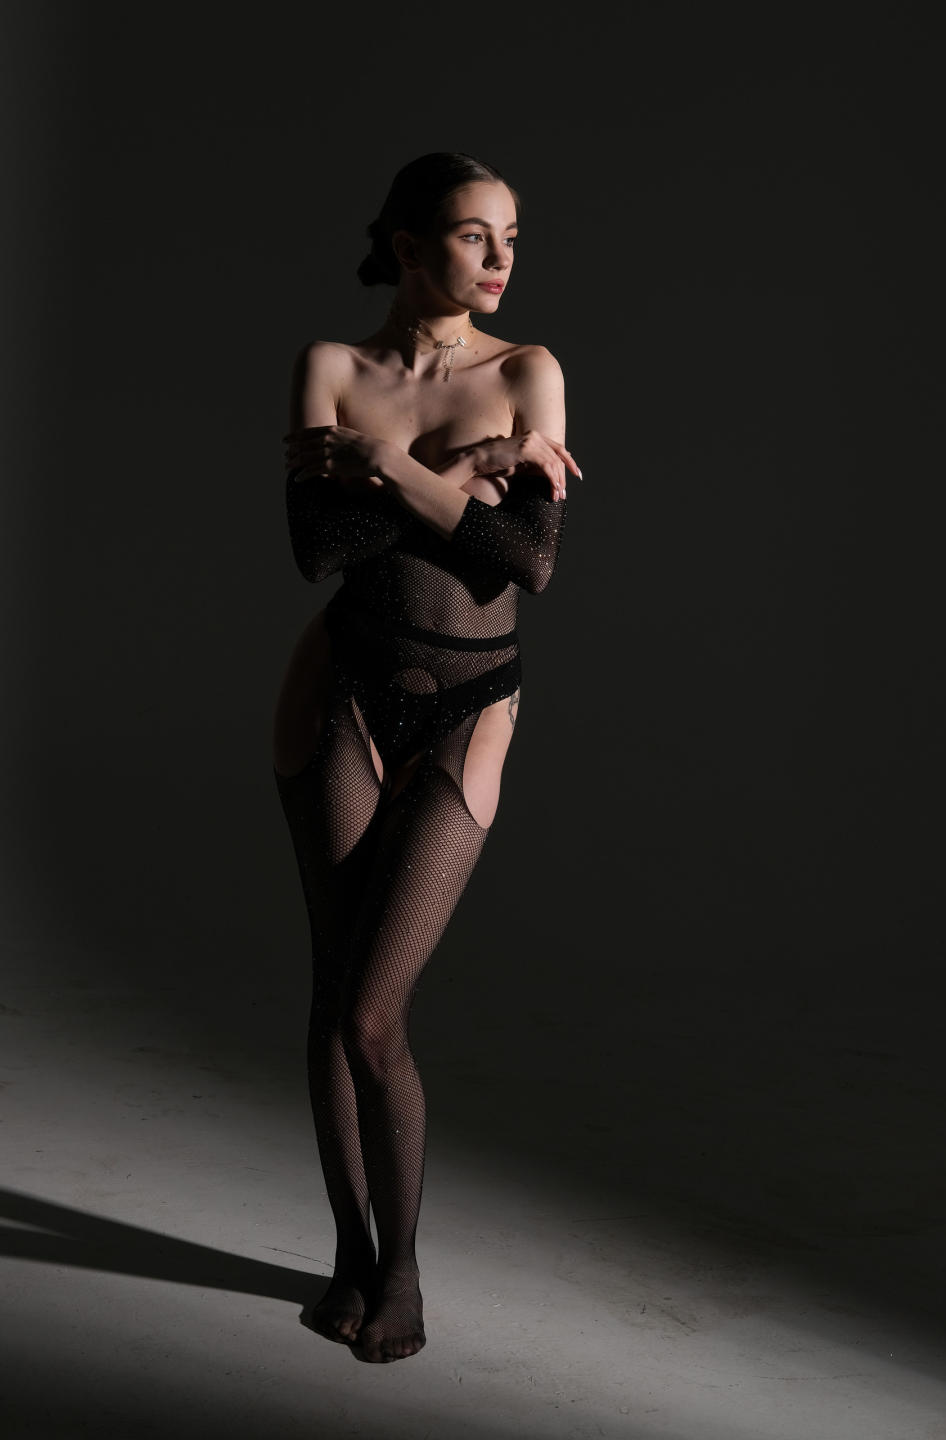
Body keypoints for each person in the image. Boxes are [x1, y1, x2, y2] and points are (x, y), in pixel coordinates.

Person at [272, 151, 581, 1364]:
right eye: (472, 236)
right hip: (338, 692)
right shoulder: (330, 366)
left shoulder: (528, 371)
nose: (502, 259)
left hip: (470, 705)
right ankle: (349, 1253)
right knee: (330, 992)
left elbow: (527, 561)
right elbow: (320, 549)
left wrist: (389, 464)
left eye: (511, 238)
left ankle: (401, 1271)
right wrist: (469, 473)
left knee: (372, 1011)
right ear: (408, 247)